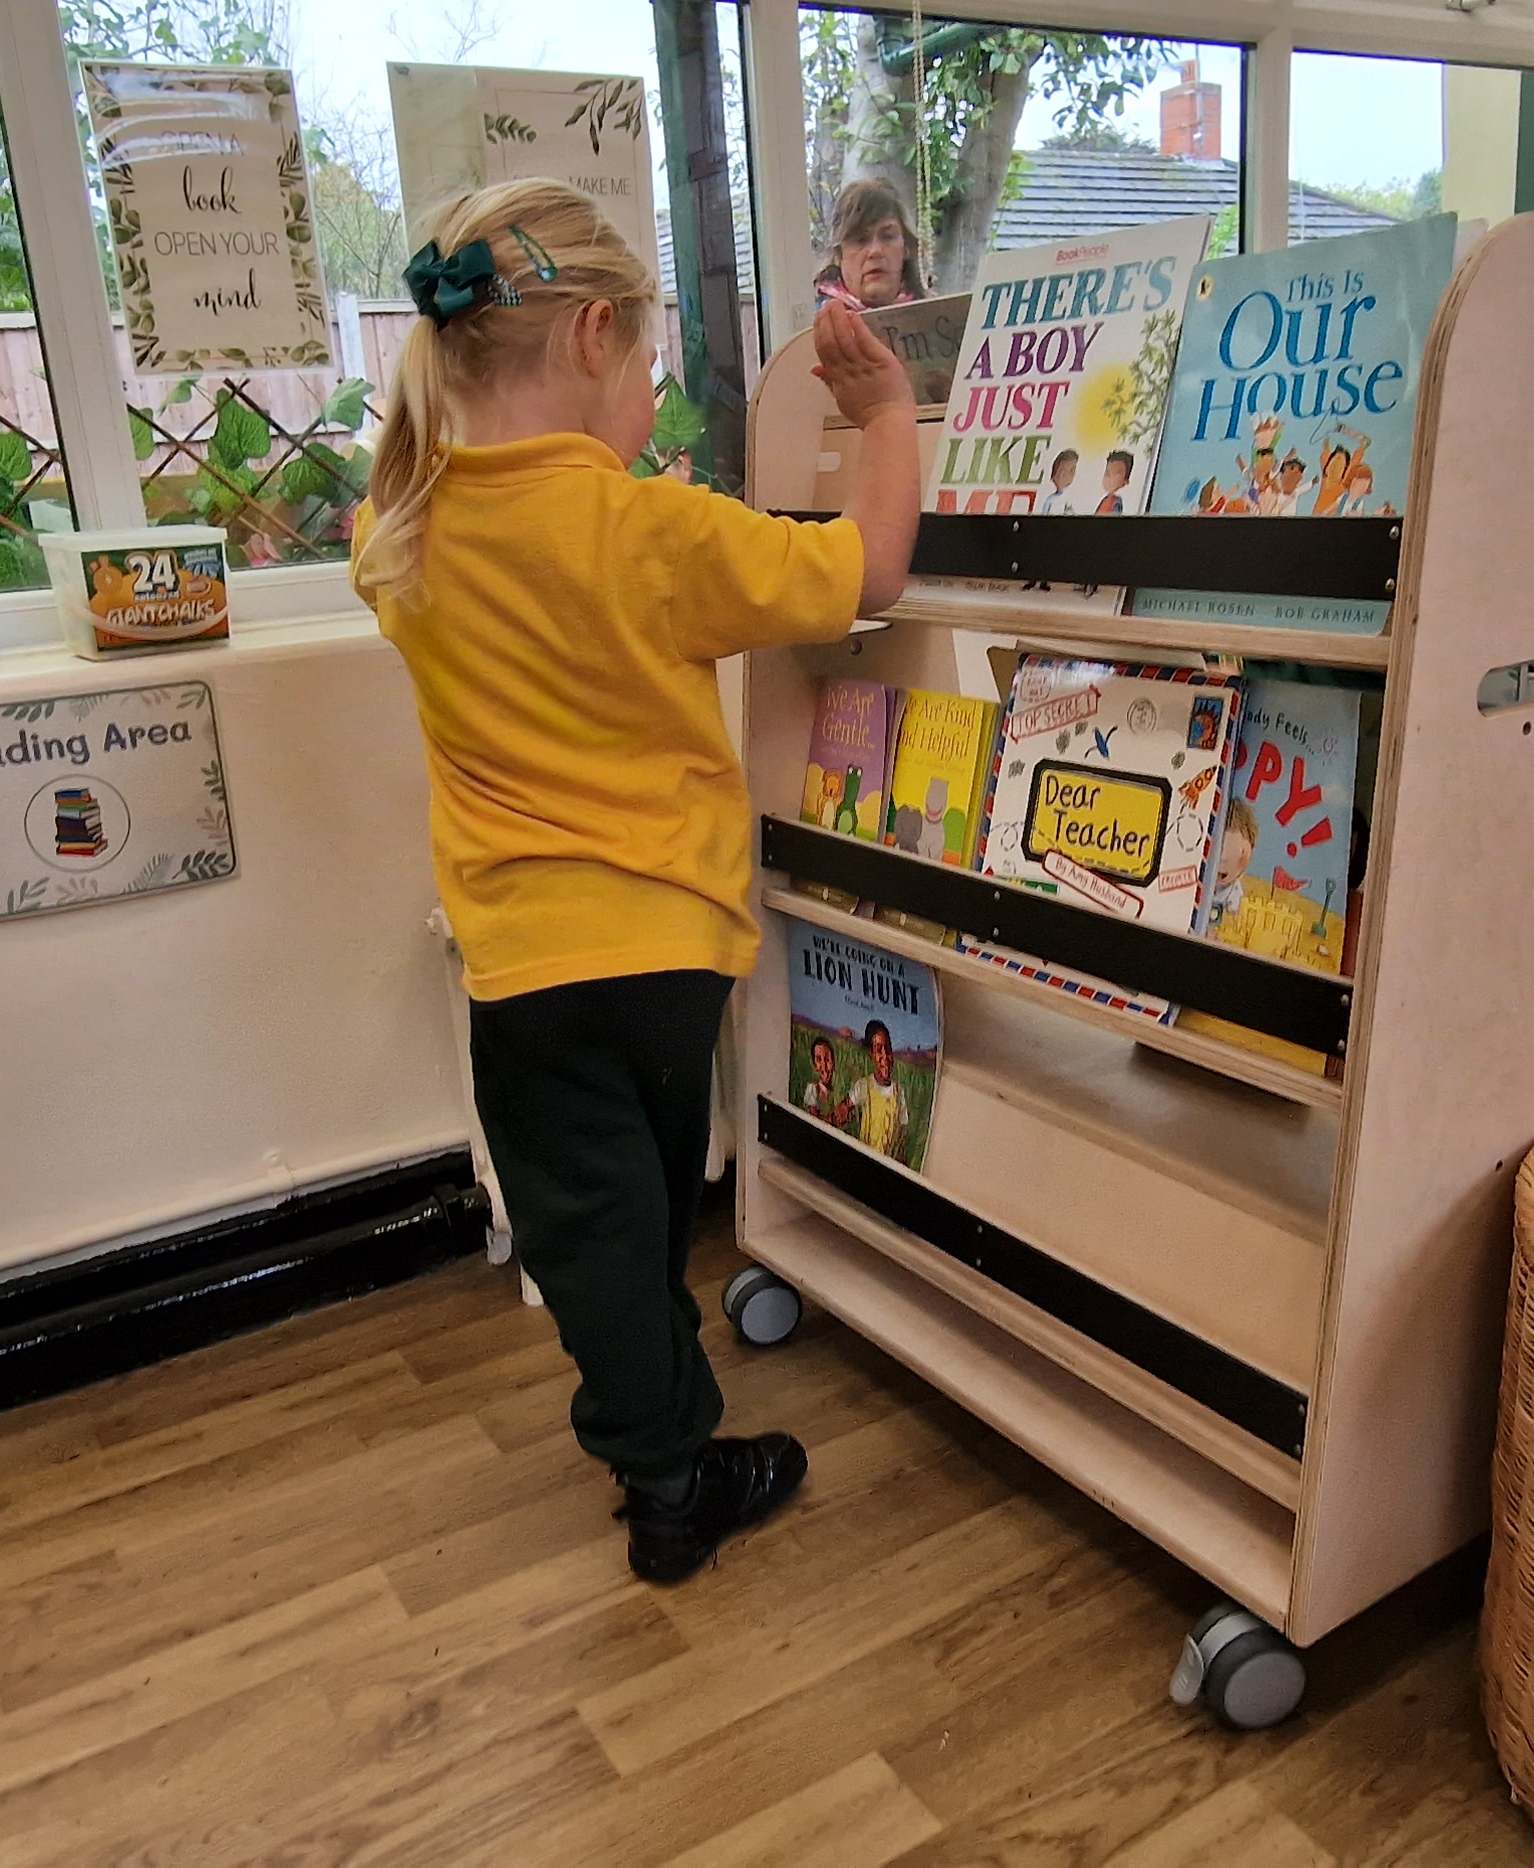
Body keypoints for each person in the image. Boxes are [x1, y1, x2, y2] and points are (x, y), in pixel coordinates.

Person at [355, 178, 921, 1585]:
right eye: (651, 373)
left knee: (587, 1232)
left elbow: (404, 500)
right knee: (656, 1218)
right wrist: (890, 421)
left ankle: (656, 1442)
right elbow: (869, 574)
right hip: (665, 954)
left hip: (517, 966)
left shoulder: (406, 541)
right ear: (596, 333)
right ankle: (675, 1469)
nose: (651, 411)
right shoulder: (650, 533)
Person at [813, 177, 927, 311]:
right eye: (861, 240)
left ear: (906, 248)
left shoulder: (938, 319)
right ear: (839, 255)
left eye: (887, 237)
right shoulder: (813, 324)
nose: (875, 251)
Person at [852, 1020, 906, 1161]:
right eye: (878, 1049)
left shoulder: (899, 1093)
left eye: (888, 1049)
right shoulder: (864, 1086)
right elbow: (841, 1114)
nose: (885, 1057)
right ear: (871, 1054)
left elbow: (900, 1141)